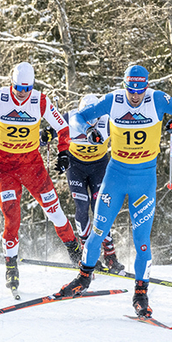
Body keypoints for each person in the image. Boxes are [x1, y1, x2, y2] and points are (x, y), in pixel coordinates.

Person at [54, 65, 172, 318]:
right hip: (116, 175)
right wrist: (89, 129)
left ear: (146, 85)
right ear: (125, 86)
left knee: (141, 241)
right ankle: (83, 279)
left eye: (139, 90)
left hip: (144, 180)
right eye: (131, 89)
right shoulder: (114, 100)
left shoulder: (157, 98)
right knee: (97, 232)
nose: (135, 96)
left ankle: (141, 294)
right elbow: (78, 117)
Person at [0, 62, 83, 300]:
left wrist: (63, 152)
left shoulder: (40, 100)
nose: (22, 93)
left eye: (27, 88)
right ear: (11, 83)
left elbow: (63, 127)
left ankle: (75, 250)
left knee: (54, 211)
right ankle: (11, 266)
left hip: (33, 167)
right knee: (12, 219)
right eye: (18, 87)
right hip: (6, 169)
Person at [41, 95, 125, 274]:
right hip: (76, 167)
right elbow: (51, 129)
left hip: (99, 167)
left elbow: (126, 132)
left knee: (100, 208)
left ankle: (110, 255)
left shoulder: (107, 121)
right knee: (82, 205)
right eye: (86, 117)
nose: (90, 122)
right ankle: (87, 253)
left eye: (93, 117)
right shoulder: (71, 117)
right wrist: (46, 135)